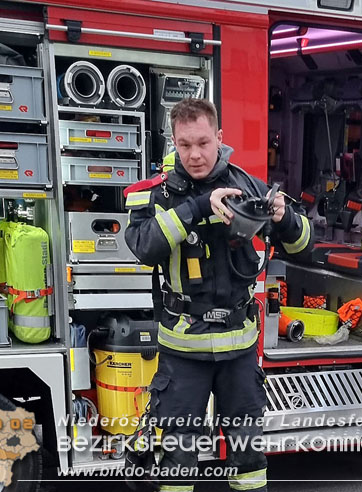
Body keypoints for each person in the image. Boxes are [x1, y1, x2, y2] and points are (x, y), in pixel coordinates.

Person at [124, 98, 312, 492]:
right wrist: (194, 208)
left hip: (239, 351)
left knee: (249, 455)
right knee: (178, 457)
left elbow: (302, 247)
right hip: (182, 352)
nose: (194, 154)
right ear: (172, 141)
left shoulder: (248, 185)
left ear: (220, 138)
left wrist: (285, 217)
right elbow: (143, 246)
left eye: (203, 143)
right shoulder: (154, 194)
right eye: (184, 144)